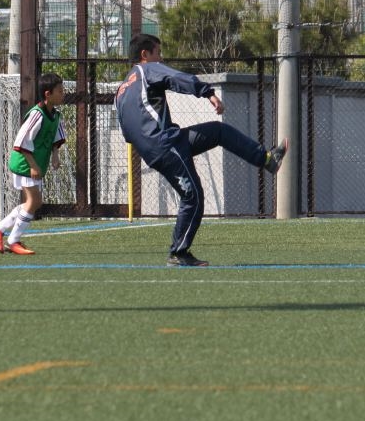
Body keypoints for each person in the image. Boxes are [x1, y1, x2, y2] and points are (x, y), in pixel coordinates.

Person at [115, 33, 288, 266]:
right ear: (145, 55)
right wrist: (207, 92)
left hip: (162, 145)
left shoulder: (121, 90)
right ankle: (178, 252)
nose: (161, 58)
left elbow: (126, 132)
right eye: (158, 53)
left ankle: (266, 159)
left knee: (218, 131)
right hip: (166, 144)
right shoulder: (146, 70)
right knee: (193, 196)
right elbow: (176, 78)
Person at [0, 72, 67, 255]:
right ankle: (13, 240)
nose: (63, 94)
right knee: (34, 201)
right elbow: (21, 142)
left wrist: (55, 155)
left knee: (33, 202)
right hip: (25, 163)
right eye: (60, 91)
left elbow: (56, 138)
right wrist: (32, 165)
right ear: (47, 94)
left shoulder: (56, 115)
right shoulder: (36, 115)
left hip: (37, 164)